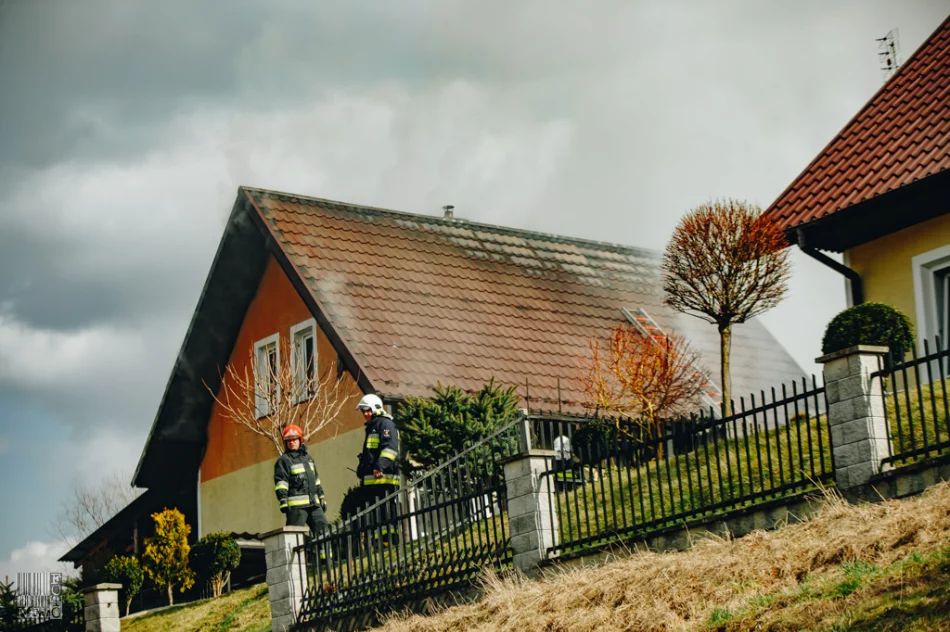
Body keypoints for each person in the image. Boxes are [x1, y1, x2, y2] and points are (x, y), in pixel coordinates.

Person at [355, 394, 400, 545]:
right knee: (376, 511)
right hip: (373, 478)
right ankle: (378, 540)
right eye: (363, 411)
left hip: (385, 476)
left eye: (368, 410)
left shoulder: (385, 424)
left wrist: (380, 466)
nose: (366, 414)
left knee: (387, 509)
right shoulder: (373, 426)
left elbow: (390, 448)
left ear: (375, 408)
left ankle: (390, 540)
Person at [274, 425, 329, 535]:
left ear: (300, 440)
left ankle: (325, 553)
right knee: (294, 537)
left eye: (294, 439)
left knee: (324, 533)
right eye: (288, 440)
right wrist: (283, 500)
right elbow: (281, 483)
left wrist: (321, 497)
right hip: (296, 507)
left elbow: (316, 480)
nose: (291, 442)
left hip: (314, 505)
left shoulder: (308, 458)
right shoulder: (284, 460)